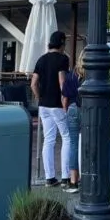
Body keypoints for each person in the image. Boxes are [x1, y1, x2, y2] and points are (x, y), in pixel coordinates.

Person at [31, 30, 70, 188]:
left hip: (44, 106)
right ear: (61, 43)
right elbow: (62, 82)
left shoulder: (41, 59)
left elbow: (33, 83)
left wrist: (39, 97)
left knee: (49, 140)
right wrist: (64, 99)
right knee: (66, 138)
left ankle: (50, 177)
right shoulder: (63, 59)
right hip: (57, 105)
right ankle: (66, 176)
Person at [61, 51, 84, 194]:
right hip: (90, 110)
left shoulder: (71, 75)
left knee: (73, 144)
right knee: (91, 143)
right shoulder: (95, 76)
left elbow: (64, 98)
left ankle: (74, 181)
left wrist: (67, 111)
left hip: (73, 109)